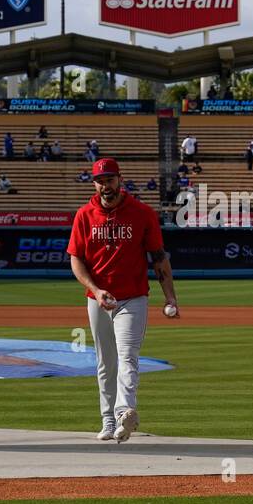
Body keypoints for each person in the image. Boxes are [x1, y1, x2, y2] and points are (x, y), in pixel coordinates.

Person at [67, 158, 180, 442]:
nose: (106, 185)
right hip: (98, 299)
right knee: (105, 362)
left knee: (128, 356)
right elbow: (76, 260)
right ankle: (107, 421)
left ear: (120, 179)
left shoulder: (142, 213)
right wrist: (95, 288)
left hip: (133, 298)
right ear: (94, 184)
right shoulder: (84, 215)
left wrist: (170, 298)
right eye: (100, 181)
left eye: (110, 179)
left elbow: (159, 258)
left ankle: (124, 412)